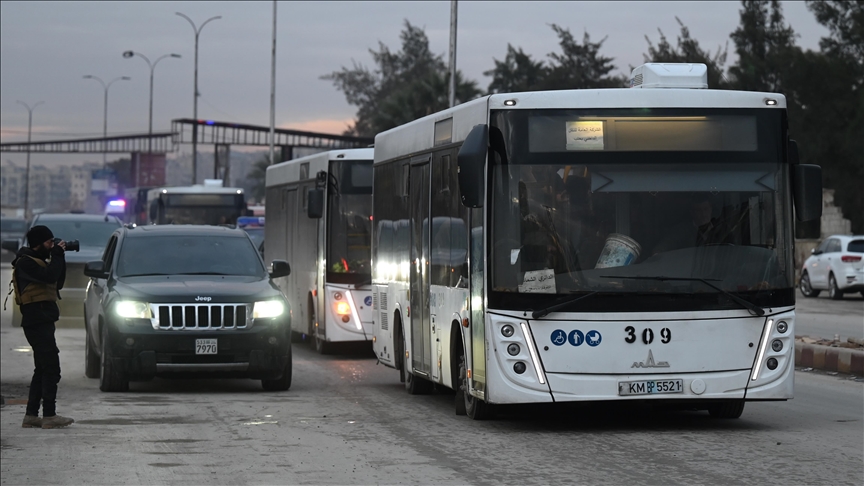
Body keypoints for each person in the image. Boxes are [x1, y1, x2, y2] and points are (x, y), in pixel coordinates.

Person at [11, 225, 74, 429]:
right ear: (38, 244)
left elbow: (57, 282)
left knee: (42, 368)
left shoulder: (39, 261)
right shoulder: (26, 263)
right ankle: (49, 415)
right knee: (51, 368)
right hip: (36, 321)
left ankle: (31, 415)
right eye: (48, 242)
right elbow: (48, 276)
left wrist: (60, 257)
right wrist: (56, 255)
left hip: (43, 319)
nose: (51, 245)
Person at [653, 194, 730, 254]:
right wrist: (658, 253)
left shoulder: (721, 229)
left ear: (711, 209)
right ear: (692, 212)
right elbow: (665, 245)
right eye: (698, 211)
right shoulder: (681, 231)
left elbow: (732, 248)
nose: (703, 214)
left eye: (706, 209)